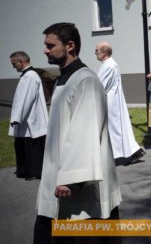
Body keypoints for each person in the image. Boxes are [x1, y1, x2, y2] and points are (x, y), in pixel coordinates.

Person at [34, 23, 121, 244]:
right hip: (60, 174)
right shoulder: (65, 79)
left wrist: (70, 180)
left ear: (70, 46)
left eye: (50, 45)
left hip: (77, 186)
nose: (45, 50)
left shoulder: (86, 80)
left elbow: (85, 130)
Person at [95, 41, 146, 166]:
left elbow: (100, 86)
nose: (95, 53)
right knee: (120, 128)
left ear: (104, 53)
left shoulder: (109, 65)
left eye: (97, 51)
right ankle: (133, 152)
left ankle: (121, 156)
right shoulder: (109, 64)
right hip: (112, 100)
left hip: (110, 102)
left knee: (115, 129)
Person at [8, 51, 48, 180]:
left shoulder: (30, 76)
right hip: (27, 118)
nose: (14, 66)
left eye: (14, 63)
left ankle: (33, 171)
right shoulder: (29, 75)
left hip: (29, 119)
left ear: (21, 61)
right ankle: (28, 170)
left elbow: (25, 99)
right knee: (27, 145)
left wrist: (17, 118)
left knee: (31, 145)